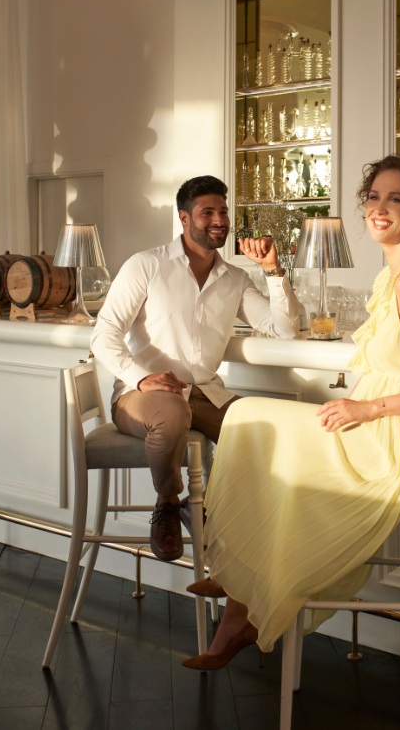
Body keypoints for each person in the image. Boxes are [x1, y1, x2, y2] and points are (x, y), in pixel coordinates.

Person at [182, 155, 400, 670]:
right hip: (383, 424)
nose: (380, 208)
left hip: (392, 440)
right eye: (375, 198)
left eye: (397, 199)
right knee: (255, 424)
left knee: (250, 418)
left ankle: (239, 581)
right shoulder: (397, 276)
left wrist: (367, 407)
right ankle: (240, 590)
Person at [90, 174, 302, 562]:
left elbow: (285, 331)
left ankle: (211, 510)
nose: (219, 220)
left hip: (205, 392)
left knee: (266, 434)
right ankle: (169, 503)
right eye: (208, 212)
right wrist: (141, 377)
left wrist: (272, 269)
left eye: (223, 211)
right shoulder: (146, 265)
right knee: (171, 415)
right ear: (184, 218)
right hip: (141, 395)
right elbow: (103, 334)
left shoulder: (235, 278)